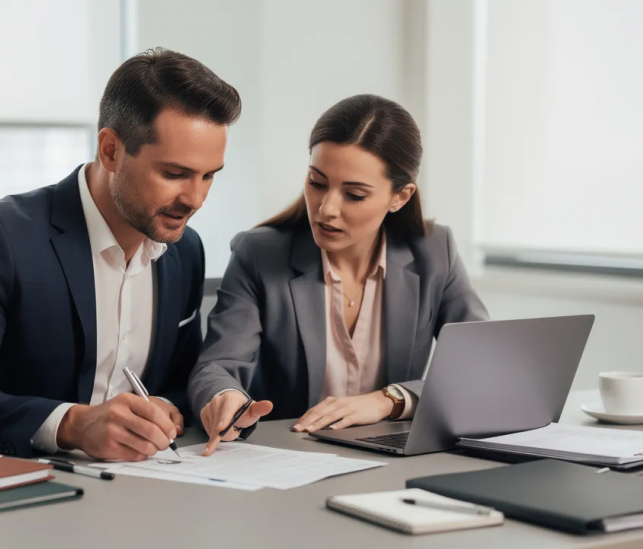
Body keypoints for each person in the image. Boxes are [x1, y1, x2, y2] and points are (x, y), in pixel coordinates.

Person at [0, 48, 241, 461]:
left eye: (208, 176)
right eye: (174, 174)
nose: (195, 199)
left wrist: (168, 407)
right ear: (110, 150)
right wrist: (72, 425)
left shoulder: (184, 249)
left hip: (147, 493)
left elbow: (178, 379)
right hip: (18, 495)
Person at [190, 94, 488, 456]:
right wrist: (225, 396)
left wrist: (391, 400)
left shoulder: (433, 251)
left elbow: (482, 369)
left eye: (354, 195)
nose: (326, 209)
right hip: (290, 458)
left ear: (400, 196)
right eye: (317, 182)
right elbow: (218, 366)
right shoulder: (259, 254)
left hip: (393, 461)